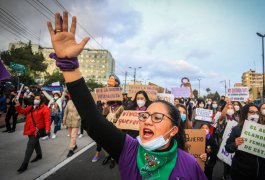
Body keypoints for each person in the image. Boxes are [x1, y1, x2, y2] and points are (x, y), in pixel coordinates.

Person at [46, 11, 207, 179]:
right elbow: (92, 120)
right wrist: (69, 66)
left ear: (173, 130)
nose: (147, 120)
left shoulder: (190, 164)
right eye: (145, 115)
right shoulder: (129, 149)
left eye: (157, 117)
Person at [225, 104, 265, 180]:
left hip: (262, 173)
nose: (255, 115)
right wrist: (235, 144)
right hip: (241, 173)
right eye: (251, 112)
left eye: (257, 113)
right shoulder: (237, 129)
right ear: (245, 114)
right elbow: (228, 148)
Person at [14, 94, 51, 173]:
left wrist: (48, 129)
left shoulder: (45, 108)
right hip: (29, 128)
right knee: (35, 142)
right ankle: (39, 155)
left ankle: (24, 164)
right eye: (35, 98)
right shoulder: (31, 107)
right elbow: (23, 111)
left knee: (30, 146)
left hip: (37, 130)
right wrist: (17, 105)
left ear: (41, 100)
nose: (35, 100)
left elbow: (47, 120)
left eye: (37, 99)